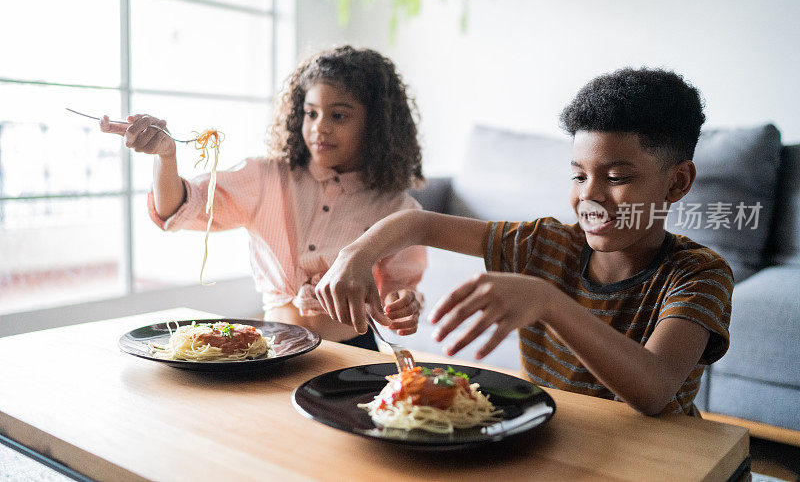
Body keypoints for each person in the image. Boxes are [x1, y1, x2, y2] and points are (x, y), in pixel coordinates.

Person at [314, 67, 733, 415]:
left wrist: (548, 301)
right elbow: (418, 223)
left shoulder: (699, 274)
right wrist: (355, 255)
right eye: (579, 176)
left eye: (617, 177)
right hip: (554, 441)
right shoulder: (544, 243)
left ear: (677, 182)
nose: (590, 195)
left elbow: (655, 389)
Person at [100, 45, 427, 350]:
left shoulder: (397, 208)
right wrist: (166, 157)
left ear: (375, 125)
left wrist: (404, 302)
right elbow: (176, 208)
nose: (319, 128)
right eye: (311, 113)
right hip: (272, 350)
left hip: (353, 355)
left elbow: (397, 294)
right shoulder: (266, 177)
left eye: (338, 116)